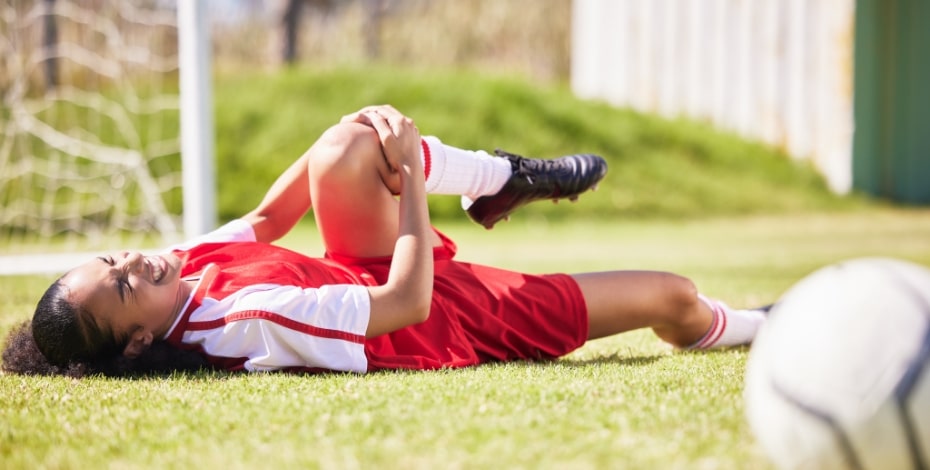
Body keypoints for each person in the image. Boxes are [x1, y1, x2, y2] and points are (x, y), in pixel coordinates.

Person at [1, 105, 767, 377]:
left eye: (113, 260)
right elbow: (402, 304)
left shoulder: (182, 269)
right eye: (126, 286)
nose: (135, 262)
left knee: (349, 143)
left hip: (359, 268)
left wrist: (348, 135)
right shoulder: (243, 322)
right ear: (139, 343)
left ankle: (500, 178)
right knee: (673, 294)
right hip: (442, 318)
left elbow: (268, 221)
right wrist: (405, 178)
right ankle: (763, 325)